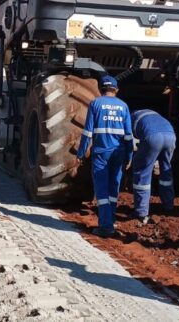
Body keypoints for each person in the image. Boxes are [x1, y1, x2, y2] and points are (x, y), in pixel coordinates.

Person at [76, 75, 133, 238]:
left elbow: (87, 132)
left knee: (101, 189)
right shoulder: (124, 106)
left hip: (101, 153)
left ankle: (106, 226)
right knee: (113, 187)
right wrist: (129, 155)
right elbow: (128, 135)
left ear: (101, 89)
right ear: (116, 90)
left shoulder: (95, 104)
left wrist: (81, 152)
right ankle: (110, 221)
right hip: (119, 152)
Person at [130, 109, 176, 224]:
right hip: (170, 136)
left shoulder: (130, 118)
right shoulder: (156, 116)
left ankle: (141, 213)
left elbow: (129, 141)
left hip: (153, 138)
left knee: (142, 171)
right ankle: (168, 204)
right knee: (166, 169)